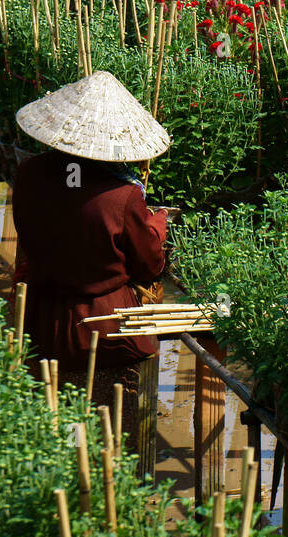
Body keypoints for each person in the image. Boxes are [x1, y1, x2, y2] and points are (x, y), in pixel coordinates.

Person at [10, 70, 172, 378]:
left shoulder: (29, 172)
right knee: (109, 419)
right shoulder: (122, 196)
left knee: (47, 414)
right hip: (104, 331)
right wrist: (157, 226)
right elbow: (149, 267)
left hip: (38, 321)